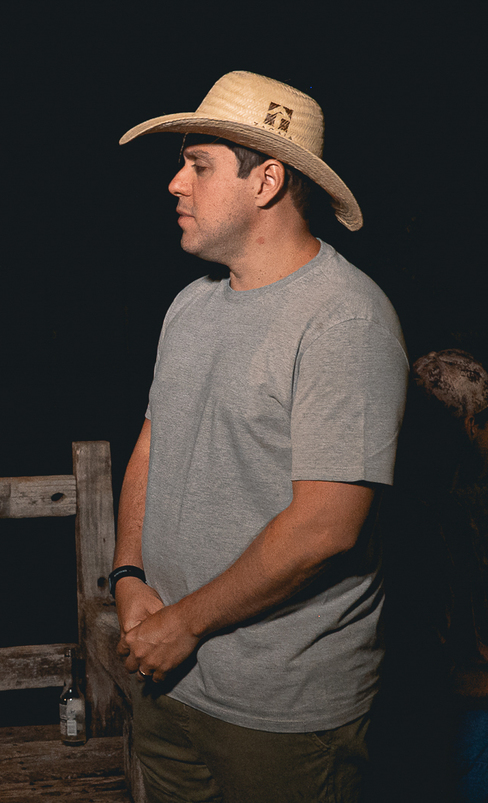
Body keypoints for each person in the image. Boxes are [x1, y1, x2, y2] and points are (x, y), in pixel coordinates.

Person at [111, 72, 408, 802]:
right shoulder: (190, 305)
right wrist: (128, 576)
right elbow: (153, 445)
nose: (176, 183)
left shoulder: (344, 319)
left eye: (199, 165)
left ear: (266, 181)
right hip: (167, 678)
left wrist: (183, 623)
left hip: (281, 712)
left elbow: (326, 527)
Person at [390, 349, 488, 801]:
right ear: (470, 426)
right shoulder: (431, 519)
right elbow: (432, 669)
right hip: (441, 723)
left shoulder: (421, 504)